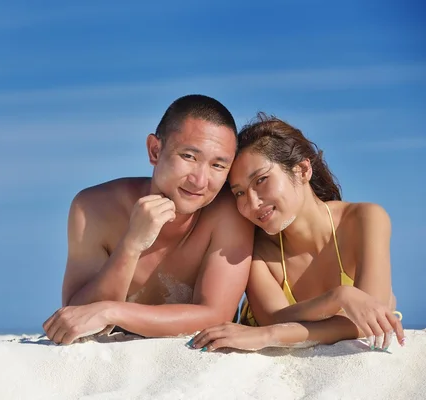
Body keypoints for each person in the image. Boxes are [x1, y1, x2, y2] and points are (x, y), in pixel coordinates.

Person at [43, 94, 254, 344]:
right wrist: (131, 245)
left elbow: (216, 316)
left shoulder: (228, 213)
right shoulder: (93, 209)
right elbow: (76, 318)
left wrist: (111, 311)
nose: (200, 180)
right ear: (155, 150)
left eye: (218, 166)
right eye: (189, 156)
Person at [189, 113, 405, 353]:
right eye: (239, 192)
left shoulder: (364, 219)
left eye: (261, 180)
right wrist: (339, 298)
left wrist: (269, 335)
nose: (252, 202)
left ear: (302, 170)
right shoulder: (257, 248)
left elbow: (370, 320)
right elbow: (275, 319)